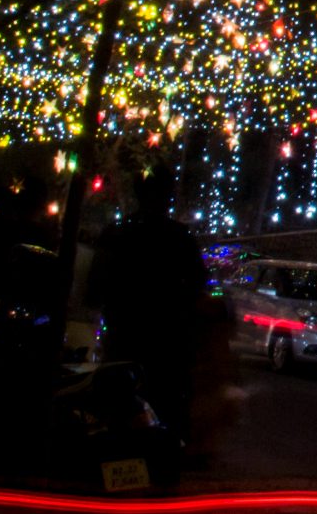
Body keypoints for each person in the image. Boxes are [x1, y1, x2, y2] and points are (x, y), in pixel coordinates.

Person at [87, 167, 208, 448]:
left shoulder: (117, 234)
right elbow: (197, 286)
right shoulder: (180, 239)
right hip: (165, 342)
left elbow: (95, 288)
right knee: (162, 409)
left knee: (119, 404)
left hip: (125, 336)